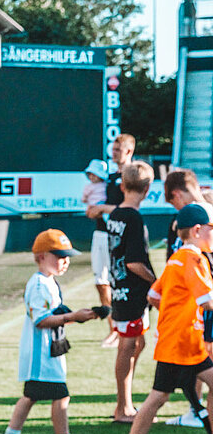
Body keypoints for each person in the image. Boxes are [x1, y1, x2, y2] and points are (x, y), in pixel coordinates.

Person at [110, 203, 213, 434]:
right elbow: (207, 300)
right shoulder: (193, 258)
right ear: (198, 230)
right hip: (182, 344)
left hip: (182, 342)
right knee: (157, 397)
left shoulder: (176, 258)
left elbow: (154, 296)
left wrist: (176, 312)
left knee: (162, 396)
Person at [0, 229, 100, 434]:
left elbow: (55, 314)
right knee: (60, 395)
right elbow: (40, 320)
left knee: (31, 395)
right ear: (41, 256)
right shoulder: (40, 285)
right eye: (59, 256)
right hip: (41, 354)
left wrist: (85, 314)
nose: (65, 261)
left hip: (47, 353)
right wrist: (72, 317)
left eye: (67, 256)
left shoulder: (47, 282)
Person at [107, 161, 156, 423]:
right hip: (131, 293)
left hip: (121, 290)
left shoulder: (115, 214)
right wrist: (156, 282)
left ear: (123, 186)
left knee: (138, 343)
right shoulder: (133, 218)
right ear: (148, 189)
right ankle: (122, 407)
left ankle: (125, 404)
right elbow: (134, 262)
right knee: (128, 347)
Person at [161, 169, 211, 429]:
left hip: (203, 299)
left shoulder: (194, 222)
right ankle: (197, 409)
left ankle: (197, 410)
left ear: (176, 194)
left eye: (172, 202)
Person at [87, 134, 137, 348]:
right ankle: (113, 327)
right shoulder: (109, 175)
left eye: (118, 149)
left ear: (128, 151)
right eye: (113, 149)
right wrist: (94, 210)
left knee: (119, 282)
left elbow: (129, 208)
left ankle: (123, 327)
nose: (113, 153)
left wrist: (103, 209)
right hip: (101, 232)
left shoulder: (131, 176)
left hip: (119, 236)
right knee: (101, 281)